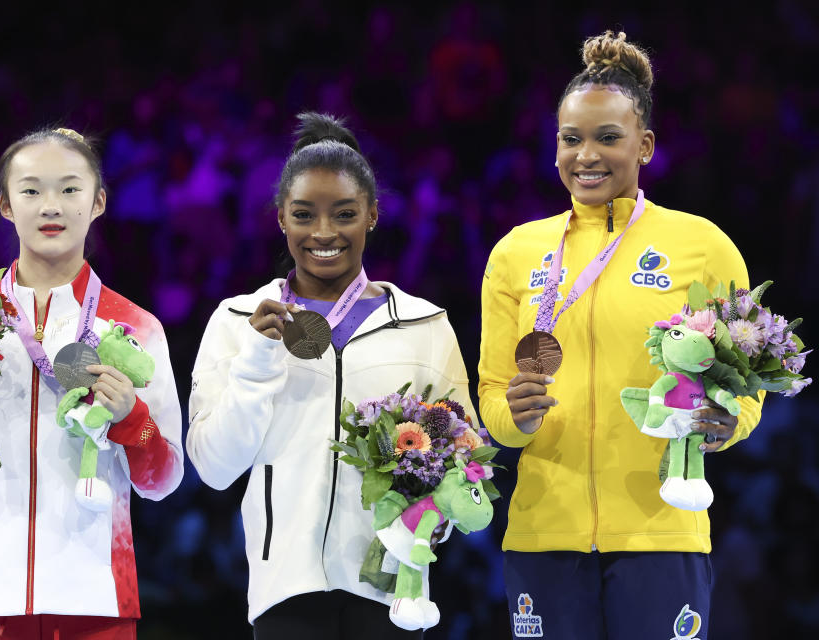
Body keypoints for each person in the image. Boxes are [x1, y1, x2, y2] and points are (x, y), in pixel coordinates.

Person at [478, 31, 763, 639]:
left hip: (662, 531)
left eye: (608, 137)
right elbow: (494, 399)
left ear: (645, 145)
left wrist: (728, 418)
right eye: (570, 138)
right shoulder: (514, 253)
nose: (586, 155)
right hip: (542, 533)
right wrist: (513, 418)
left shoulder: (702, 246)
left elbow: (748, 382)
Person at [187, 112, 476, 639]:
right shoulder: (238, 320)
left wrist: (434, 523)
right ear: (281, 218)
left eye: (343, 214)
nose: (323, 233)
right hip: (284, 589)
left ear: (372, 215)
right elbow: (213, 467)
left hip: (391, 580)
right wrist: (257, 360)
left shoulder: (425, 324)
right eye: (304, 215)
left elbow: (464, 456)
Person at [0, 128, 184, 639]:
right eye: (31, 190)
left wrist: (133, 420)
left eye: (71, 189)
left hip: (97, 597)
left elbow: (162, 479)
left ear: (98, 201)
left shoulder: (136, 326)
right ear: (6, 205)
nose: (51, 205)